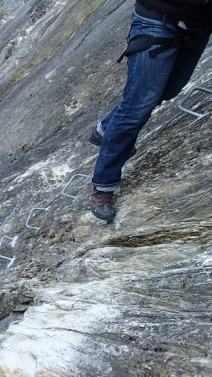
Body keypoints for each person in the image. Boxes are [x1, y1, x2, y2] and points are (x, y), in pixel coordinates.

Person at [89, 0, 212, 221]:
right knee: (137, 107)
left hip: (198, 26)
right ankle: (104, 185)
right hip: (158, 17)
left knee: (168, 90)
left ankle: (106, 129)